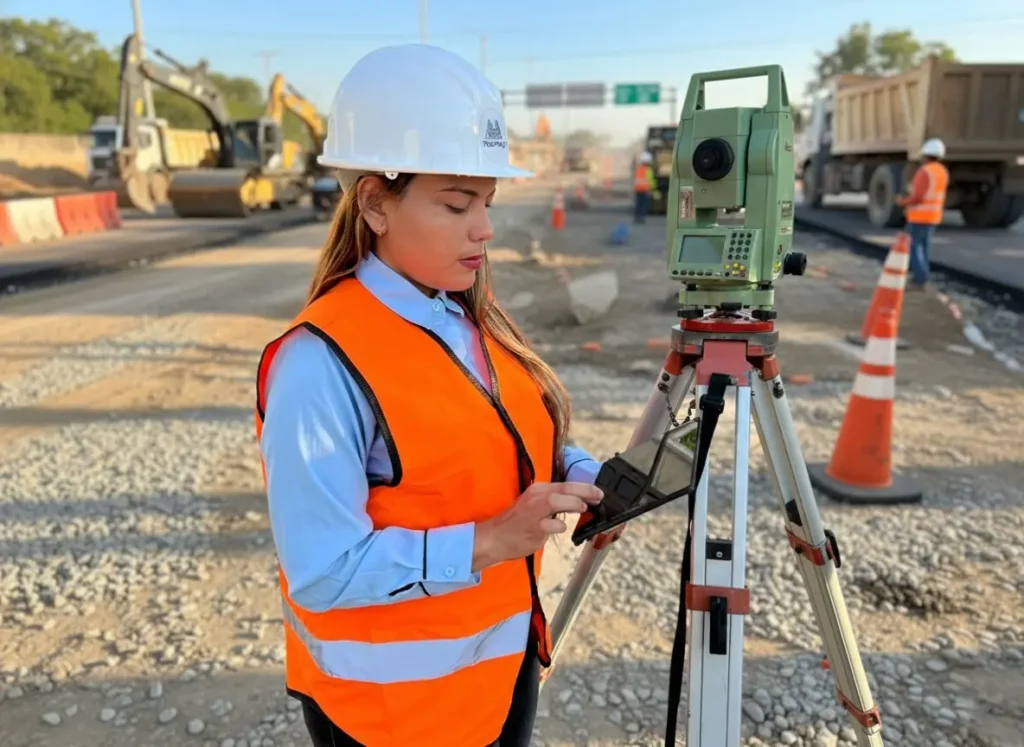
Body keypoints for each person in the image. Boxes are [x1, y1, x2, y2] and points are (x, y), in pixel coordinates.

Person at [254, 44, 605, 747]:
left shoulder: (463, 316)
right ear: (374, 204)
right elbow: (322, 570)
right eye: (455, 203)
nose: (485, 228)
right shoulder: (318, 364)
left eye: (487, 202)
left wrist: (579, 473)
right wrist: (493, 539)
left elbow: (500, 432)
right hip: (391, 716)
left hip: (497, 678)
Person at [896, 138, 948, 289]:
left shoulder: (925, 171)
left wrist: (902, 202)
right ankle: (923, 275)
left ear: (925, 155)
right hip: (933, 216)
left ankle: (919, 279)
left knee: (913, 247)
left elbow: (918, 197)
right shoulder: (942, 171)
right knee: (924, 247)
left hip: (919, 216)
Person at [632, 151, 660, 224]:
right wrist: (653, 189)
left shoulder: (639, 169)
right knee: (643, 205)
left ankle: (637, 217)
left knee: (638, 204)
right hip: (645, 190)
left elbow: (636, 180)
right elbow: (651, 181)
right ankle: (641, 217)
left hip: (638, 190)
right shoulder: (648, 170)